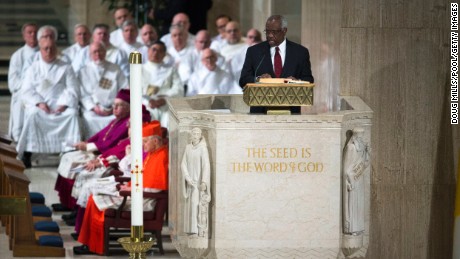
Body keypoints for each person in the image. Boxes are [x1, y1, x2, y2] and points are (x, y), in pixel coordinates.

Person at [73, 121, 169, 255]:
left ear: (155, 141)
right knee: (92, 199)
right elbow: (143, 178)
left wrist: (132, 189)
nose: (142, 145)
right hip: (138, 195)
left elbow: (155, 189)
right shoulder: (154, 153)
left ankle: (95, 246)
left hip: (144, 202)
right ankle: (89, 243)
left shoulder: (162, 157)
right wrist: (129, 186)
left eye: (145, 142)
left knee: (95, 202)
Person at [53, 89, 131, 212]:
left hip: (101, 156)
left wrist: (89, 148)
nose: (114, 108)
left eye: (119, 105)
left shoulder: (126, 124)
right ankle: (66, 201)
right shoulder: (116, 120)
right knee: (67, 158)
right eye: (114, 105)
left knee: (77, 168)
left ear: (128, 108)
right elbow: (100, 135)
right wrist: (87, 143)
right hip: (99, 155)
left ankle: (74, 207)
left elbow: (110, 145)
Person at [16, 38, 81, 168]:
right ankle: (28, 152)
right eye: (45, 48)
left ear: (56, 50)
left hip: (60, 105)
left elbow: (73, 88)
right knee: (33, 114)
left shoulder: (65, 67)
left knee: (72, 114)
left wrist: (63, 104)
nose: (49, 51)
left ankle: (70, 151)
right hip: (40, 106)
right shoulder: (33, 68)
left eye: (52, 48)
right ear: (40, 50)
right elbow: (26, 90)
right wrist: (40, 103)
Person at [239, 15, 314, 113]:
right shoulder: (254, 51)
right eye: (267, 31)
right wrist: (258, 79)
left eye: (274, 32)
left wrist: (297, 82)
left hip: (290, 113)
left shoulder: (300, 52)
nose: (269, 35)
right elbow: (243, 79)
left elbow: (308, 79)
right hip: (259, 113)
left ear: (284, 31)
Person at [79, 42, 128, 138]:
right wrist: (95, 108)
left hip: (114, 107)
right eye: (95, 52)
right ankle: (92, 145)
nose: (98, 54)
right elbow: (83, 94)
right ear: (90, 54)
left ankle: (112, 144)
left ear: (105, 52)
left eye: (100, 51)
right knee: (89, 119)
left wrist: (116, 106)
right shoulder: (84, 71)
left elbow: (124, 88)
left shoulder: (115, 69)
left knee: (119, 118)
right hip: (93, 109)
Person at [8, 23, 38, 142]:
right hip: (23, 91)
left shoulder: (44, 52)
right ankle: (19, 138)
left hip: (39, 92)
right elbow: (13, 82)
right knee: (21, 100)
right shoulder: (17, 56)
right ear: (24, 36)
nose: (33, 35)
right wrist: (27, 86)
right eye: (29, 32)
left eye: (35, 32)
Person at [142, 41, 183, 127]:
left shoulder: (171, 70)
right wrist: (148, 101)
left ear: (164, 54)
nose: (156, 53)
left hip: (166, 105)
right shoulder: (140, 70)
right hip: (147, 105)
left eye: (160, 51)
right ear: (148, 51)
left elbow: (179, 89)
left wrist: (165, 99)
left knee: (171, 121)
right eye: (154, 50)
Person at [181, 127, 210, 235]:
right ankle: (190, 229)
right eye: (194, 133)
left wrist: (204, 181)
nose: (195, 135)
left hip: (198, 182)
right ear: (191, 135)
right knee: (189, 205)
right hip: (190, 181)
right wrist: (187, 178)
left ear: (200, 135)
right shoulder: (188, 147)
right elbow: (183, 164)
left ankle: (196, 230)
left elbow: (206, 165)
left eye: (198, 133)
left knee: (196, 204)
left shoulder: (203, 148)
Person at [343, 128, 370, 235]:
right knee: (352, 203)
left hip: (359, 178)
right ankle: (352, 228)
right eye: (360, 136)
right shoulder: (350, 147)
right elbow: (346, 166)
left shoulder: (362, 147)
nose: (361, 138)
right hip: (352, 179)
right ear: (355, 136)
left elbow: (365, 162)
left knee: (359, 203)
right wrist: (347, 181)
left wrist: (367, 152)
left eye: (362, 135)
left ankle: (358, 227)